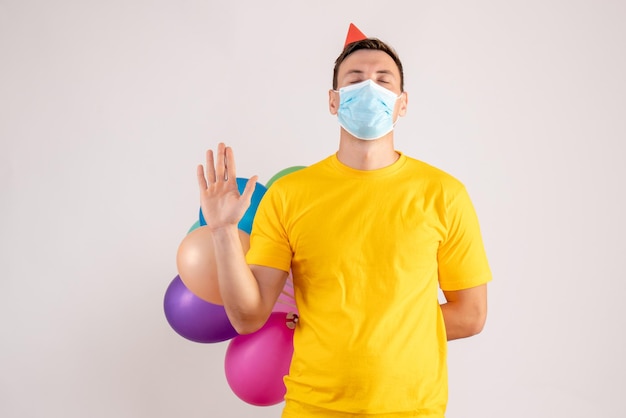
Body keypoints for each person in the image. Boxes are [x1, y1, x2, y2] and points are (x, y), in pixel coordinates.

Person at [196, 24, 492, 418]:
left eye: (383, 80)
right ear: (334, 101)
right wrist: (223, 232)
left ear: (403, 103)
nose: (370, 87)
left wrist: (382, 328)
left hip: (414, 410)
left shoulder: (444, 194)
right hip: (313, 407)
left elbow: (471, 314)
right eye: (355, 79)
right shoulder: (290, 196)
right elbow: (249, 317)